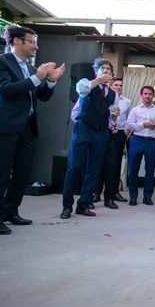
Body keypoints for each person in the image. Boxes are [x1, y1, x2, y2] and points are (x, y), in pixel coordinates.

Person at [0, 26, 65, 234]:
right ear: (17, 41)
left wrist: (51, 80)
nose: (36, 47)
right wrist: (37, 78)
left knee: (21, 174)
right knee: (0, 174)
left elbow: (42, 96)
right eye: (32, 42)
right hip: (3, 126)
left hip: (27, 127)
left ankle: (11, 211)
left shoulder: (30, 69)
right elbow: (5, 90)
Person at [60, 59, 117, 219]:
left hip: (101, 133)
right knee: (75, 167)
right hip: (83, 129)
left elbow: (112, 119)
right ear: (96, 70)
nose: (106, 71)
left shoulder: (112, 94)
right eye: (103, 68)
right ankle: (67, 206)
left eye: (108, 69)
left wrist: (114, 117)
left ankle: (83, 205)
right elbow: (82, 90)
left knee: (94, 170)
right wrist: (98, 80)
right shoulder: (86, 83)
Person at [125, 86, 155, 206]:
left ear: (153, 96)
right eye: (145, 94)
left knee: (150, 170)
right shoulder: (135, 110)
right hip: (137, 140)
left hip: (152, 142)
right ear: (141, 95)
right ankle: (133, 197)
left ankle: (147, 197)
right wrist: (144, 124)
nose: (148, 96)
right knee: (133, 169)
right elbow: (128, 125)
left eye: (150, 94)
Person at [109, 78, 132, 202]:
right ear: (111, 85)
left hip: (119, 133)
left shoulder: (127, 102)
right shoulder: (106, 98)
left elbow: (129, 120)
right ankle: (96, 192)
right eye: (116, 85)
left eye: (120, 85)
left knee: (117, 163)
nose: (118, 87)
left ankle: (115, 192)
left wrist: (125, 134)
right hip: (105, 132)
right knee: (102, 162)